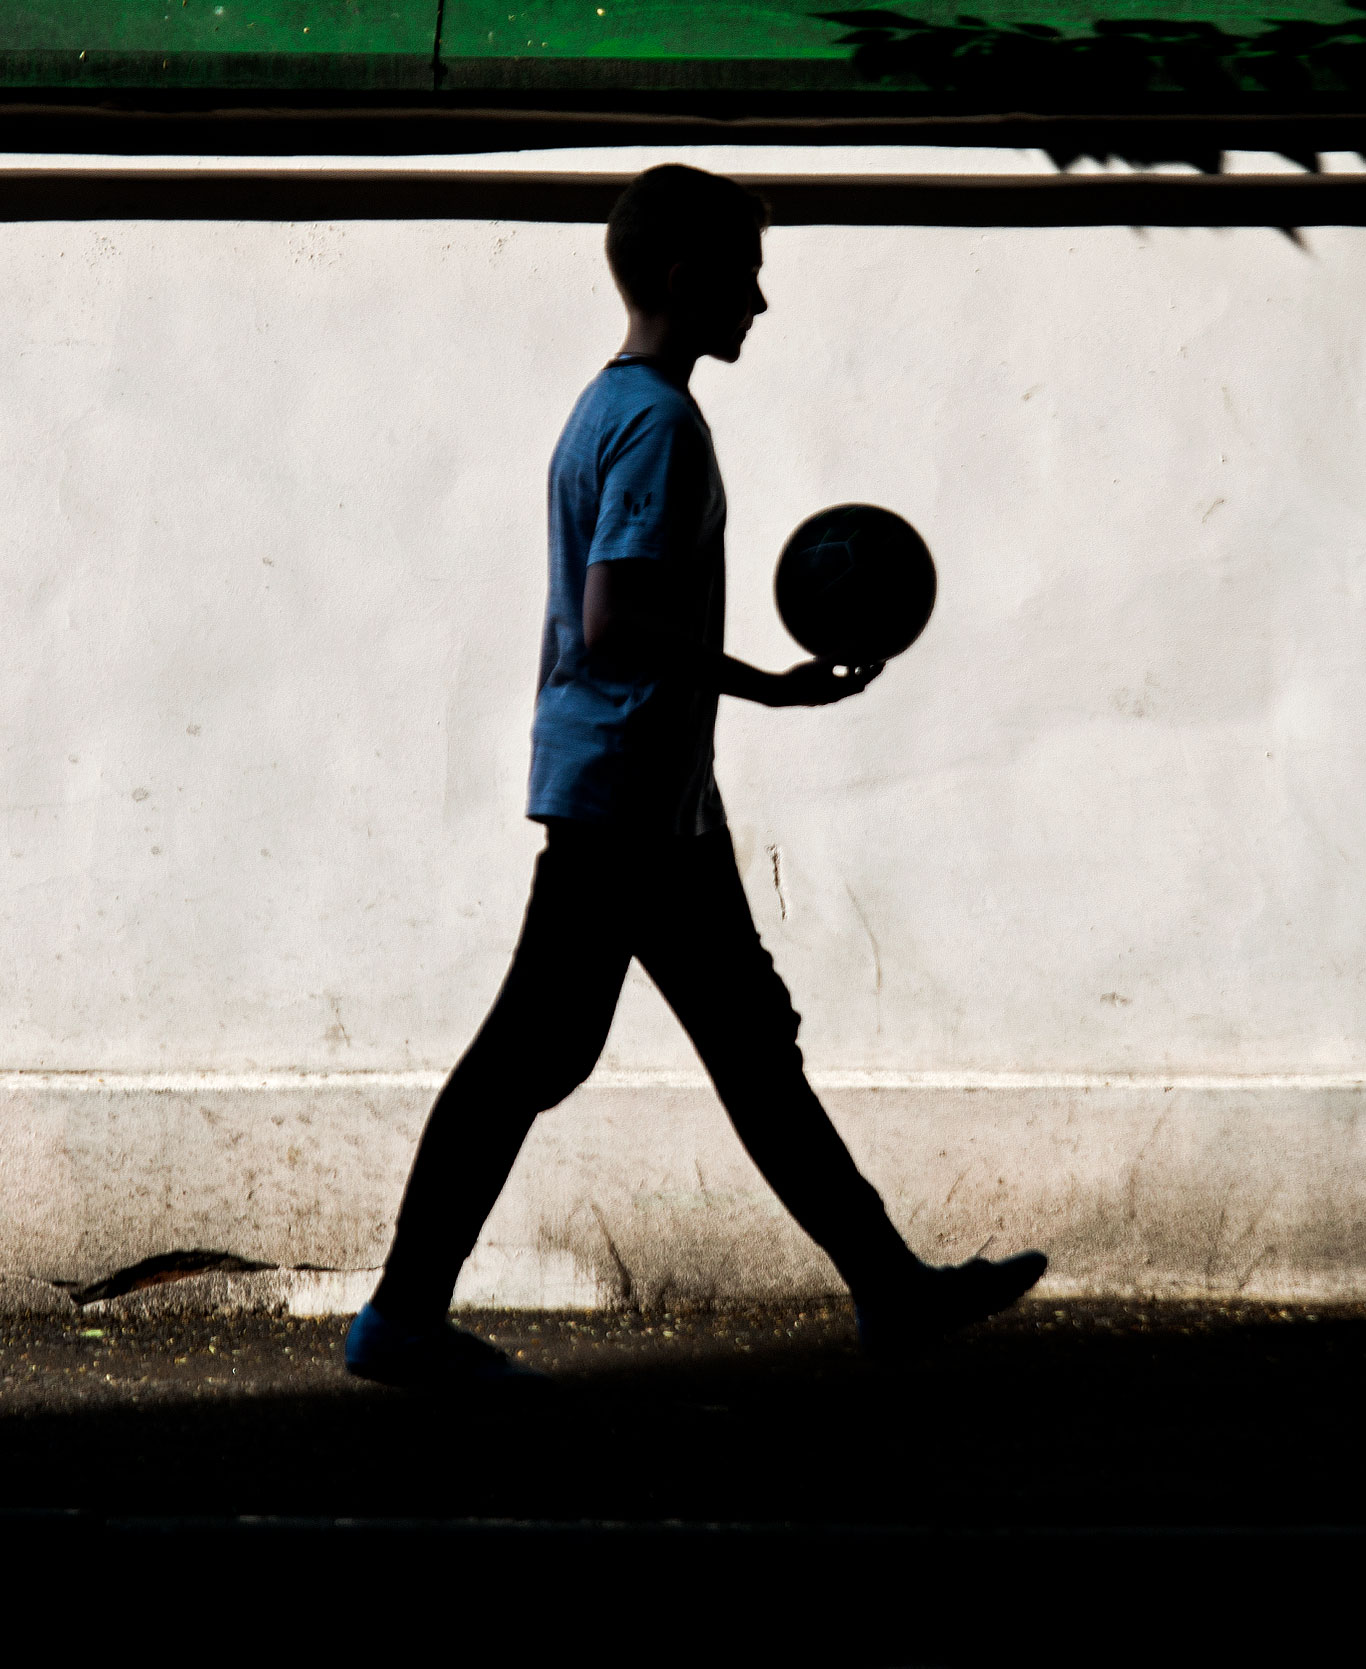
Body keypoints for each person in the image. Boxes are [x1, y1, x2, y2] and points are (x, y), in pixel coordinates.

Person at [345, 164, 1044, 1388]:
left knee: (742, 1043)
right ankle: (399, 1318)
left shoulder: (609, 406)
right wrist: (766, 685)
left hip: (655, 797)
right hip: (623, 798)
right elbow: (613, 620)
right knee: (533, 1056)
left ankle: (889, 1286)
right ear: (683, 279)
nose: (760, 303)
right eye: (746, 278)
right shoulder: (660, 425)